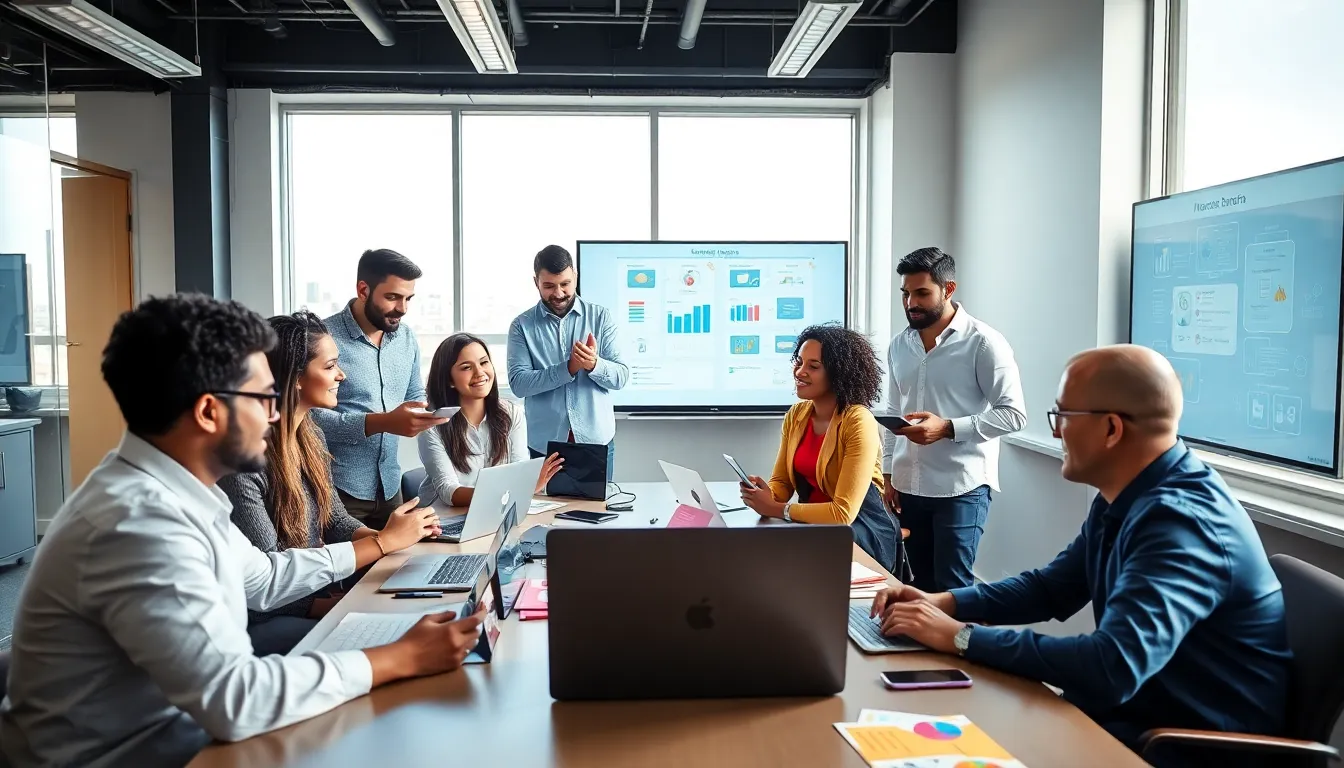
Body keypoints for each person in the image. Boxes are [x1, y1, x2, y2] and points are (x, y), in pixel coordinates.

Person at [0, 294, 485, 768]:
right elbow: (235, 700)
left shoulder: (182, 490)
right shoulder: (138, 522)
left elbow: (262, 578)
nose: (276, 414)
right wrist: (396, 657)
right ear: (210, 411)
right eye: (261, 397)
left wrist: (381, 552)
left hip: (176, 732)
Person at [870, 345, 1290, 763]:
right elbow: (1052, 588)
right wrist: (943, 602)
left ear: (1111, 429)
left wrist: (959, 636)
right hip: (1129, 719)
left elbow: (1112, 667)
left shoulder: (1180, 523)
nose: (1056, 432)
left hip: (1179, 745)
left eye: (1064, 416)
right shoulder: (1127, 494)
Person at [220, 311, 442, 656]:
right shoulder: (243, 466)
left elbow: (335, 522)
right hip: (266, 617)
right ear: (294, 378)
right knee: (395, 635)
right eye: (329, 367)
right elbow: (266, 581)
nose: (341, 375)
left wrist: (402, 539)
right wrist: (381, 545)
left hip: (316, 592)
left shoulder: (312, 437)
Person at [881, 246, 1026, 592]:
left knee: (952, 589)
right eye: (905, 293)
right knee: (914, 586)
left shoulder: (984, 343)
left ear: (948, 289)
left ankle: (959, 647)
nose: (910, 303)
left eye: (921, 293)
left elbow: (1014, 415)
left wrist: (947, 428)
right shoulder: (898, 345)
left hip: (961, 488)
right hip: (906, 487)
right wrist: (888, 474)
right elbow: (892, 409)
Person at [739, 324, 900, 570]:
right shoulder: (797, 414)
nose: (800, 372)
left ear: (838, 374)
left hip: (858, 531)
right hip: (811, 527)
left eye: (813, 366)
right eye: (799, 362)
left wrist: (778, 509)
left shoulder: (858, 420)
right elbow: (782, 483)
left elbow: (842, 514)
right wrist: (763, 494)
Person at [313, 249, 449, 529]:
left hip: (390, 488)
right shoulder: (323, 339)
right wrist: (383, 422)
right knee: (351, 572)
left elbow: (414, 394)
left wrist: (423, 415)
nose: (403, 308)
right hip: (339, 490)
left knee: (399, 568)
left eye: (408, 298)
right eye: (392, 297)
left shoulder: (406, 337)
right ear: (363, 290)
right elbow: (309, 419)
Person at [507, 244, 629, 474]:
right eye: (549, 286)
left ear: (575, 276)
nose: (559, 293)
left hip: (596, 442)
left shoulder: (601, 318)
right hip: (545, 447)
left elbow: (621, 377)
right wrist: (568, 369)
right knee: (542, 510)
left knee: (598, 510)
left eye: (565, 284)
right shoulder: (521, 326)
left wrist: (594, 365)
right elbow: (519, 384)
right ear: (536, 283)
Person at [418, 332, 563, 507]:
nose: (480, 373)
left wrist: (523, 486)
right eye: (466, 367)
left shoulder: (512, 413)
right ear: (450, 380)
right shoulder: (433, 425)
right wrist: (520, 489)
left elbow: (519, 471)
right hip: (441, 520)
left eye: (484, 362)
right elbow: (449, 492)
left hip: (493, 511)